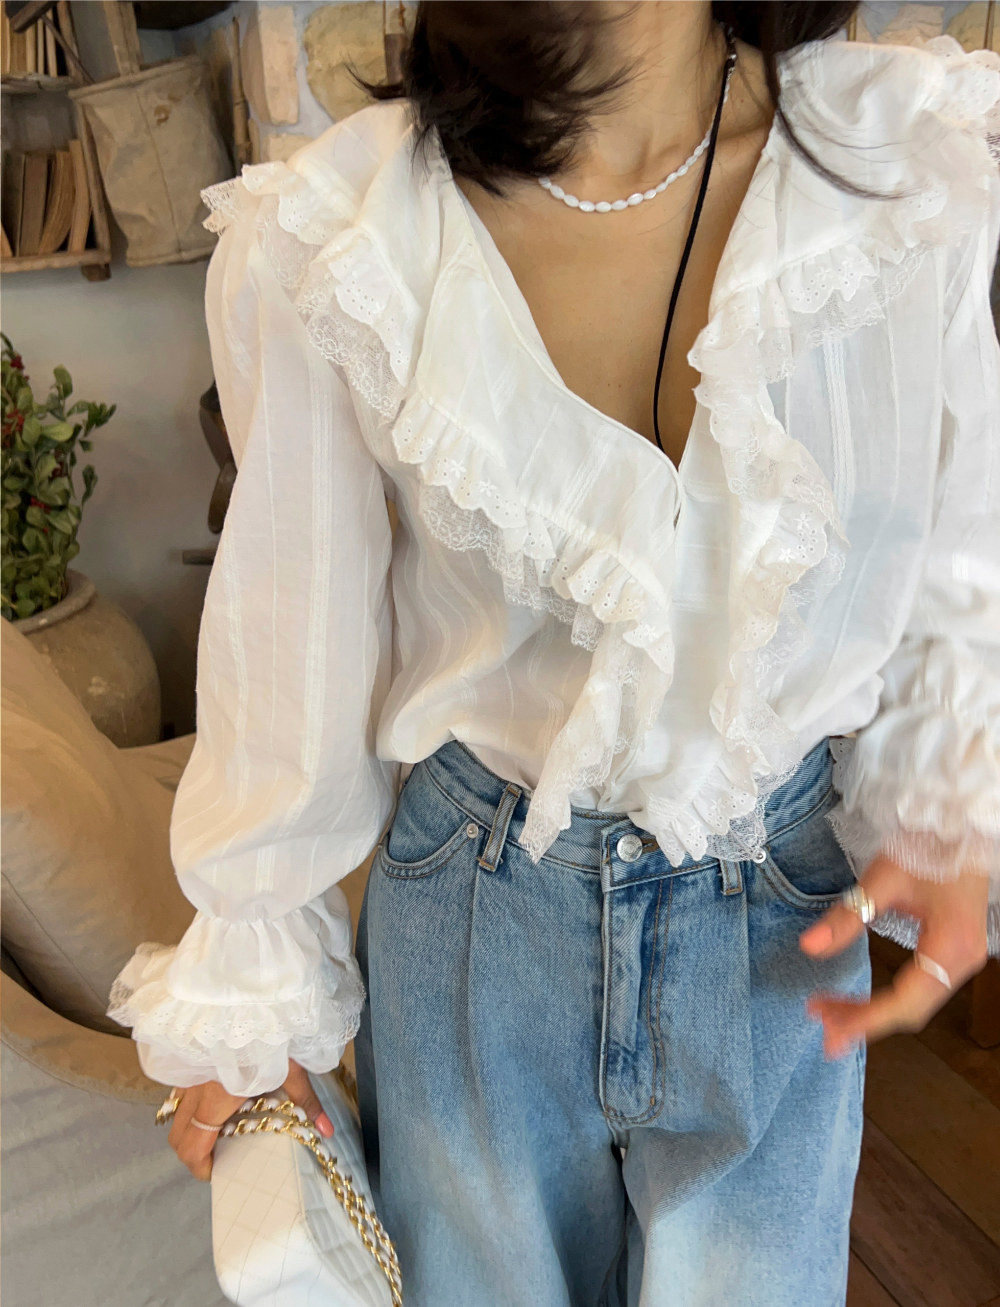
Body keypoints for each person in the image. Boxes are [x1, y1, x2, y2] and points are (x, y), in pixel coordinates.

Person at [107, 3, 1000, 1304]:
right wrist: (255, 982)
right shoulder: (339, 234)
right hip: (477, 925)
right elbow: (290, 648)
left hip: (777, 925)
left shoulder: (910, 164)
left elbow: (964, 546)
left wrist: (947, 804)